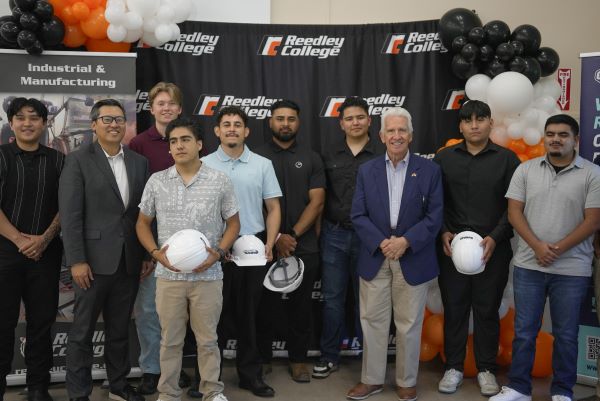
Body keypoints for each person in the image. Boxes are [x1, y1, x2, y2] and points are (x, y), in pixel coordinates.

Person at [490, 114, 600, 401]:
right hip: (530, 265)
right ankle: (519, 388)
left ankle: (562, 391)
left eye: (563, 135)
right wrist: (538, 246)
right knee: (525, 331)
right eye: (550, 134)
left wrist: (557, 248)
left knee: (566, 334)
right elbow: (514, 212)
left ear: (576, 140)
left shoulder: (592, 174)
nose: (555, 139)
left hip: (572, 269)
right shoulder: (525, 170)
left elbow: (593, 221)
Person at [136, 117, 240, 401]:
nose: (179, 146)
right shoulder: (157, 181)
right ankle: (168, 394)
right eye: (173, 141)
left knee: (208, 340)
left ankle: (212, 391)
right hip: (169, 277)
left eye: (185, 140)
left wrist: (219, 252)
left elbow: (233, 224)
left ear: (199, 144)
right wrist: (155, 253)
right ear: (169, 148)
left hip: (208, 276)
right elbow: (142, 223)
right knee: (170, 340)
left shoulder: (219, 180)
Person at [348, 107, 443, 401]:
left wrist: (406, 241)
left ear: (411, 136)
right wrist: (382, 242)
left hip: (412, 256)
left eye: (402, 130)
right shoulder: (367, 171)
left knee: (409, 324)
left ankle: (406, 381)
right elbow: (358, 214)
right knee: (372, 321)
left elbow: (435, 216)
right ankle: (371, 380)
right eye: (391, 130)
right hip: (376, 255)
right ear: (381, 135)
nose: (397, 136)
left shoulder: (430, 170)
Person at [59, 99, 149, 401]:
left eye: (119, 119)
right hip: (91, 264)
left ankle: (119, 387)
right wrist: (77, 260)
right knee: (82, 332)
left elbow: (143, 214)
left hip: (128, 262)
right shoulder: (77, 160)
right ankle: (78, 393)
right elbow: (70, 215)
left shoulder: (139, 162)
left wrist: (145, 255)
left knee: (120, 330)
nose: (114, 125)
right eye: (107, 119)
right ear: (94, 125)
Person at [433, 100, 520, 396]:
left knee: (487, 309)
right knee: (454, 308)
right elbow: (433, 202)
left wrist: (495, 236)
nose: (474, 125)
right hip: (451, 249)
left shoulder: (507, 160)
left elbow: (514, 206)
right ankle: (453, 367)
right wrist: (443, 231)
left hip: (493, 248)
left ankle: (486, 369)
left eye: (480, 119)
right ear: (460, 126)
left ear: (490, 123)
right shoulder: (443, 158)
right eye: (468, 120)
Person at [203, 106, 282, 397]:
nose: (232, 129)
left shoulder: (262, 164)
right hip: (215, 249)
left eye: (237, 124)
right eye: (226, 124)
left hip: (253, 247)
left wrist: (270, 242)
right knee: (213, 316)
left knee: (251, 315)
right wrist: (213, 247)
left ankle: (251, 375)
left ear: (246, 131)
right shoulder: (204, 164)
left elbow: (273, 207)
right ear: (217, 131)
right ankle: (210, 379)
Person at [255, 100, 326, 383]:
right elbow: (252, 202)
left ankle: (298, 360)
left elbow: (317, 202)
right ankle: (262, 358)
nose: (285, 124)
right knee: (264, 306)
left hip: (302, 245)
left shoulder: (312, 157)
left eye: (291, 119)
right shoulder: (255, 157)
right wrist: (275, 238)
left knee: (301, 307)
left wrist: (291, 236)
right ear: (270, 121)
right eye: (280, 118)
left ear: (299, 122)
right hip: (264, 246)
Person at [128, 82, 192, 395]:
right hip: (154, 247)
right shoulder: (139, 143)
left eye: (171, 103)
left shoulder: (192, 140)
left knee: (181, 314)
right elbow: (136, 201)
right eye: (160, 103)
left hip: (190, 245)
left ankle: (174, 371)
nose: (166, 108)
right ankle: (152, 370)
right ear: (151, 108)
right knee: (149, 311)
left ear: (179, 109)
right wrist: (147, 252)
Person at [313, 96, 382, 379]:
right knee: (332, 299)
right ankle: (329, 356)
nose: (355, 123)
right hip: (334, 235)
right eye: (349, 118)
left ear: (369, 120)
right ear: (341, 124)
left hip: (371, 238)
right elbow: (320, 198)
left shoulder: (382, 153)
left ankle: (372, 361)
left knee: (369, 302)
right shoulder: (329, 154)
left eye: (360, 117)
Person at [0, 98, 64, 401]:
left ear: (44, 123)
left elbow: (67, 206)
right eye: (21, 118)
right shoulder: (1, 157)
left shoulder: (59, 161)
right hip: (4, 254)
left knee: (41, 323)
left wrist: (42, 240)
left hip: (45, 255)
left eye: (34, 118)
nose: (27, 123)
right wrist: (20, 241)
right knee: (2, 324)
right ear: (11, 123)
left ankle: (38, 387)